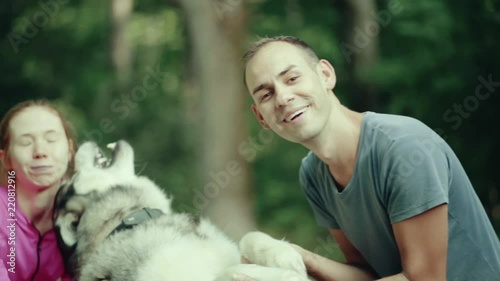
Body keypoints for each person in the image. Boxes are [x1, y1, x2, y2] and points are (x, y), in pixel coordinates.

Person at [240, 36, 500, 281]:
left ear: (325, 74)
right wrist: (300, 259)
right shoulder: (312, 174)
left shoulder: (403, 147)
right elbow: (367, 273)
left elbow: (424, 279)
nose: (283, 98)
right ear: (260, 117)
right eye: (266, 95)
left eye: (292, 78)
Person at [0, 99, 75, 281]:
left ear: (70, 150)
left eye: (51, 139)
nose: (40, 151)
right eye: (25, 142)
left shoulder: (89, 211)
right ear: (5, 159)